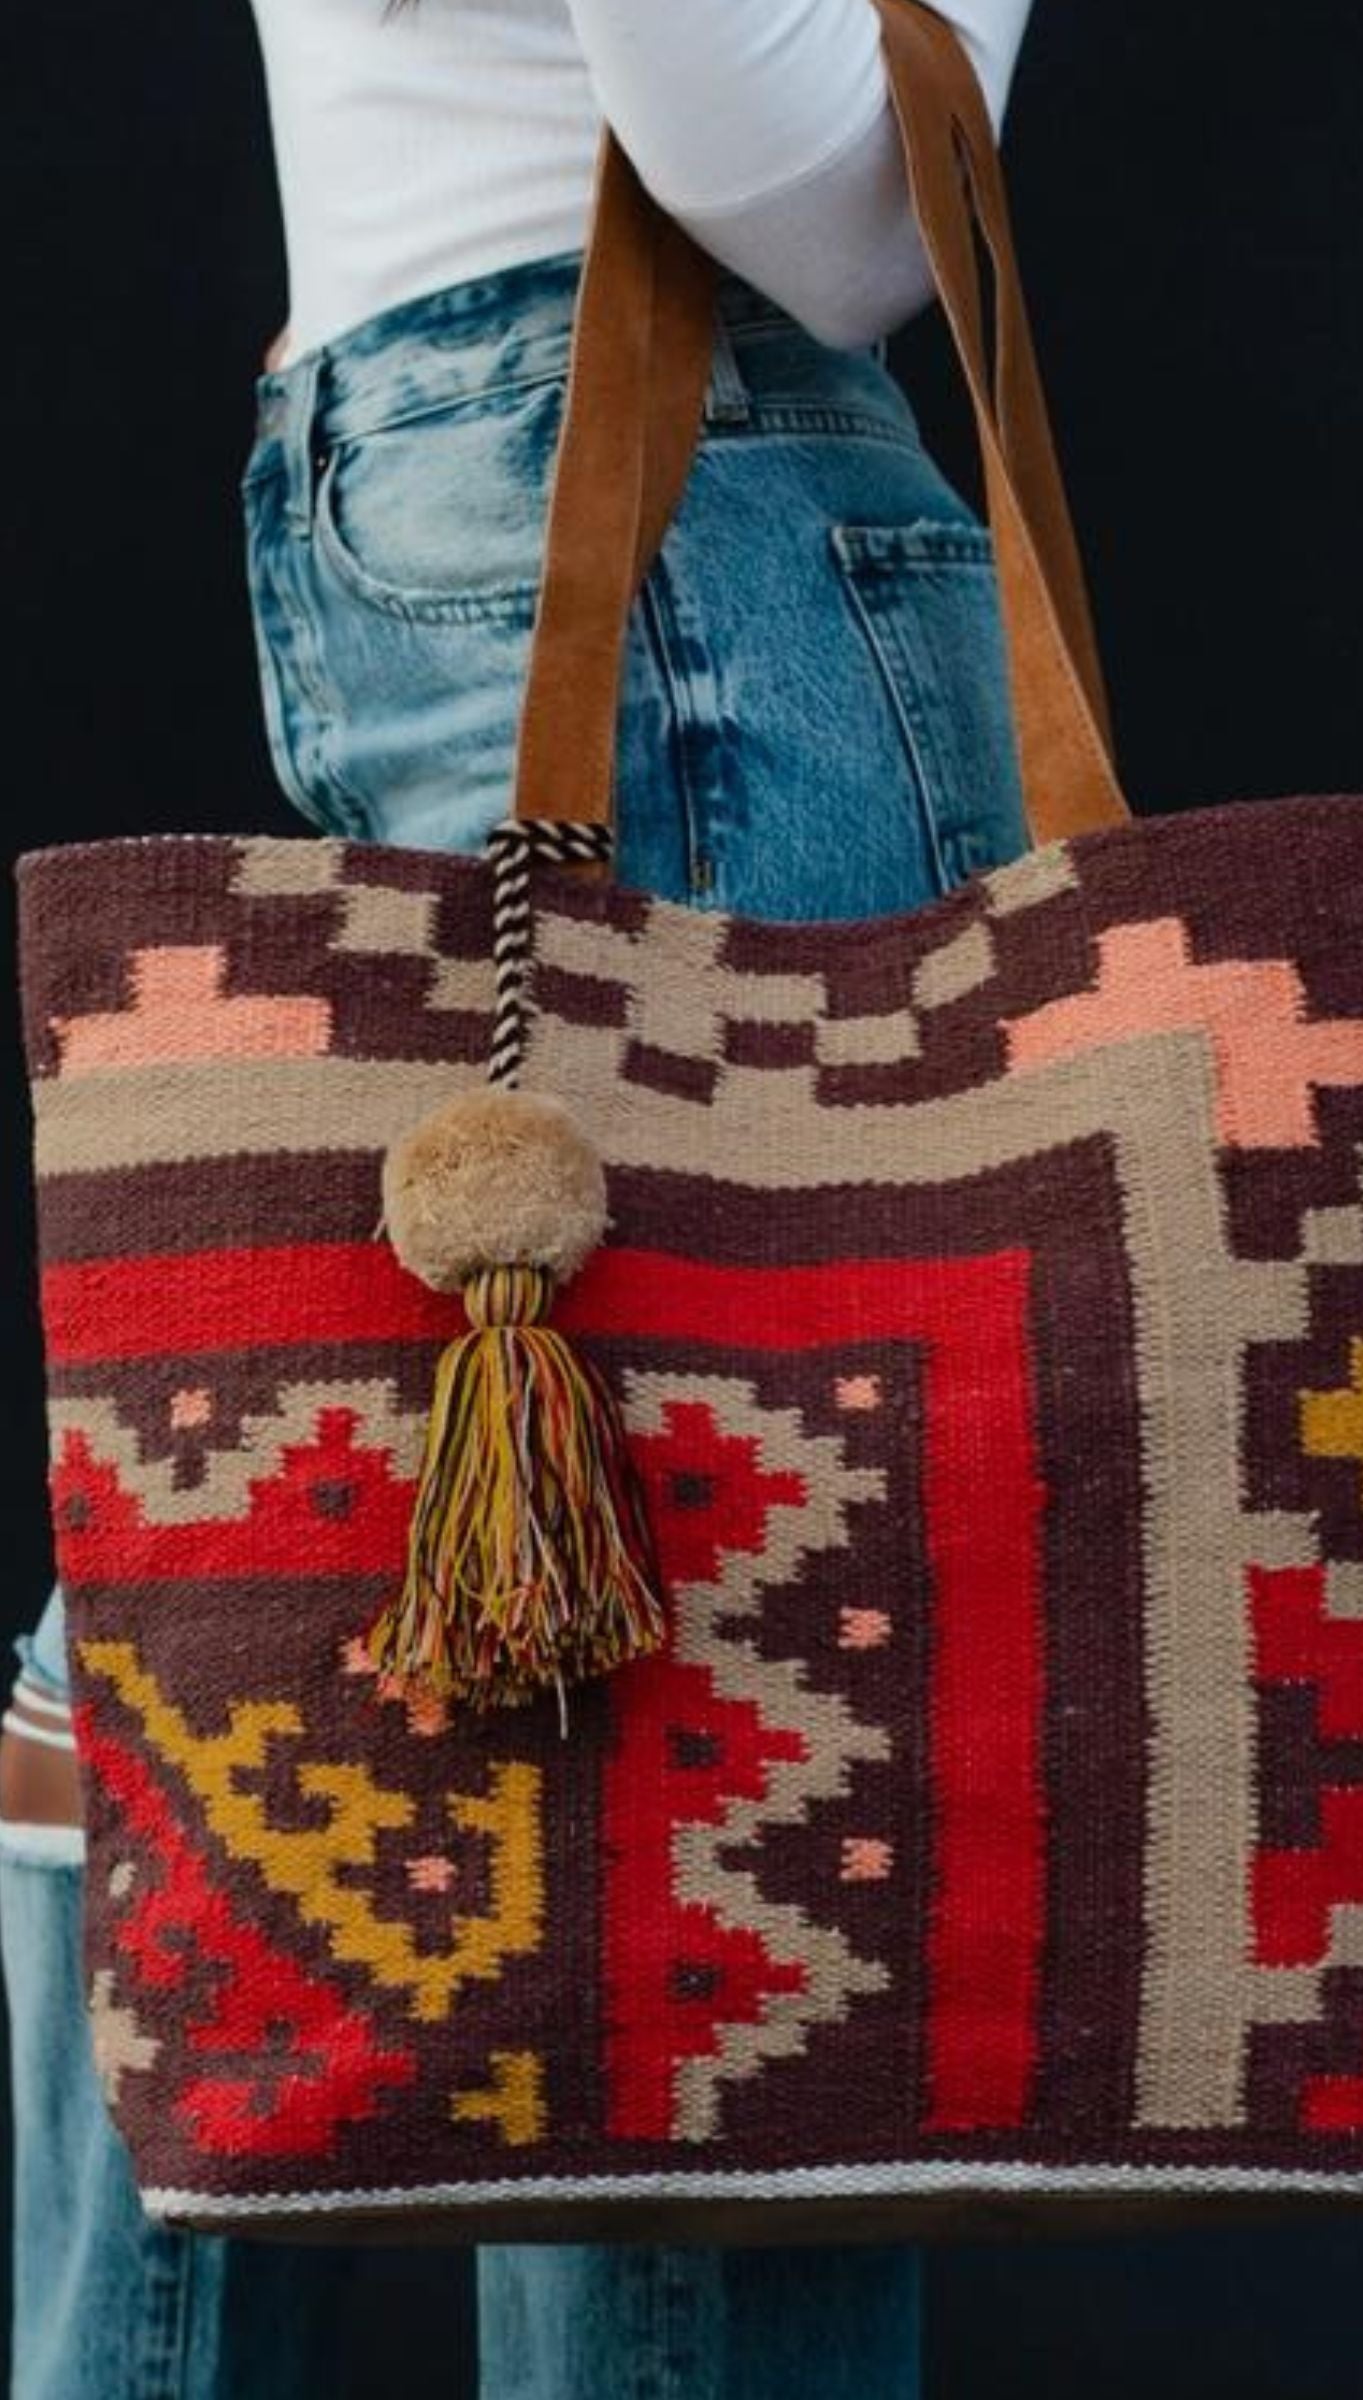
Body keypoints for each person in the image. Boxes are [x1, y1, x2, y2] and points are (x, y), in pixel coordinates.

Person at [0, 1, 1039, 2392]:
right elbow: (797, 184)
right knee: (712, 1685)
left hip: (450, 453)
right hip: (696, 506)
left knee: (368, 1544)